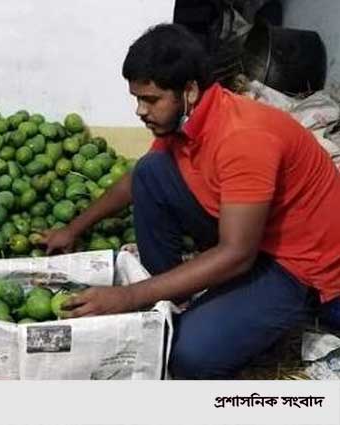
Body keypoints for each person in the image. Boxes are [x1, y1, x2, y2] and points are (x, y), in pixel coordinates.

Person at [43, 24, 340, 378]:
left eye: (150, 100)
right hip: (252, 233)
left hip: (299, 266)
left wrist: (128, 296)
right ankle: (172, 295)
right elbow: (136, 181)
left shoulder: (243, 139)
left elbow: (236, 255)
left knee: (187, 356)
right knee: (151, 170)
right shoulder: (189, 119)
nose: (140, 111)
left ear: (190, 91)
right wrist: (73, 228)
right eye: (137, 99)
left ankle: (247, 313)